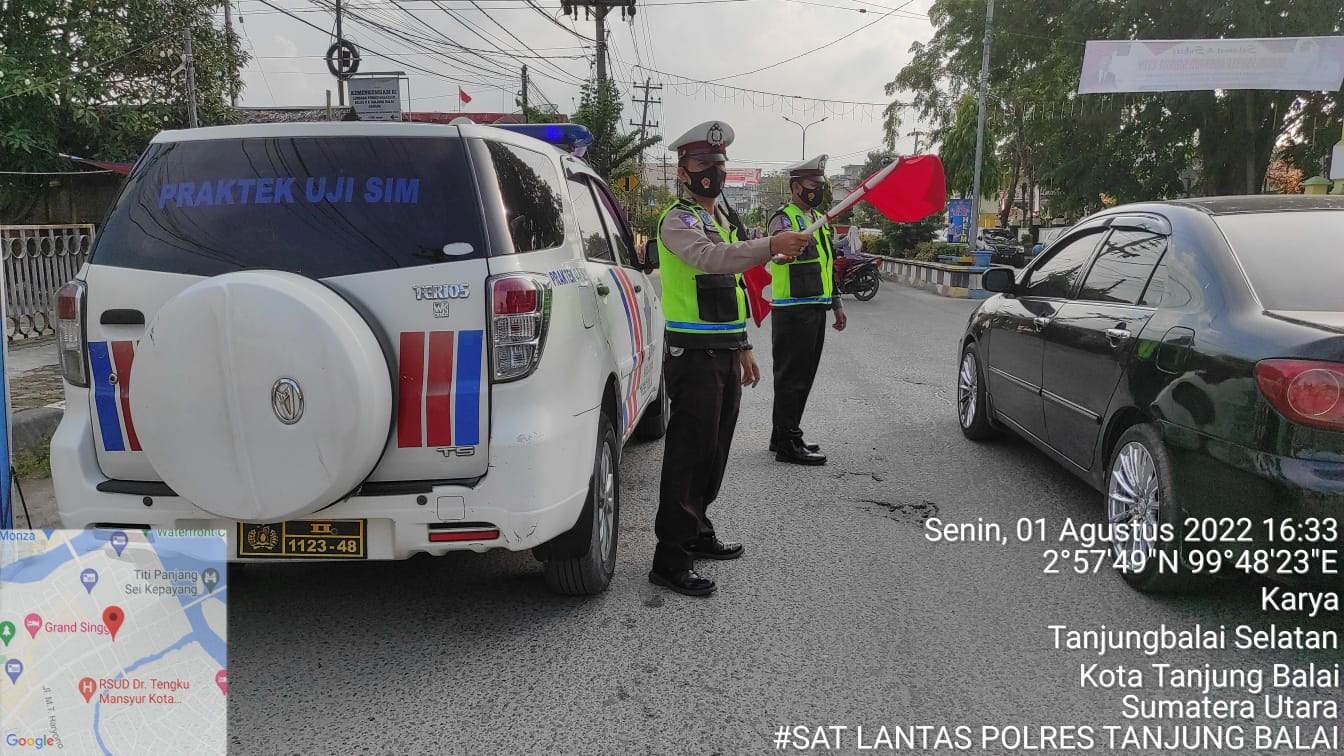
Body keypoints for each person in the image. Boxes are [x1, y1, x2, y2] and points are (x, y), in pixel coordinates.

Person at [651, 120, 812, 597]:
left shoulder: (720, 219)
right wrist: (768, 246)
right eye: (703, 164)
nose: (713, 172)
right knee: (689, 455)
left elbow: (733, 285)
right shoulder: (676, 220)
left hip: (722, 350)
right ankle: (670, 558)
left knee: (715, 451)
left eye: (720, 164)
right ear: (683, 171)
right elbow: (711, 260)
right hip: (692, 353)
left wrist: (743, 347)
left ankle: (698, 532)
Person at [766, 155, 846, 466]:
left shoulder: (819, 221)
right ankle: (788, 443)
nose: (818, 191)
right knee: (792, 378)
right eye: (814, 186)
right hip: (792, 308)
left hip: (815, 306)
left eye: (821, 186)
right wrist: (784, 254)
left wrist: (836, 303)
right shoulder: (784, 219)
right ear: (796, 187)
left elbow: (826, 265)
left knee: (804, 376)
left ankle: (783, 434)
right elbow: (776, 251)